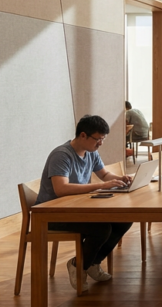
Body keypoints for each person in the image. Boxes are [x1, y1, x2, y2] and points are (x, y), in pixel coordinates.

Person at [35, 115, 134, 290]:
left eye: (103, 139)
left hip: (76, 209)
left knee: (123, 220)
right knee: (101, 229)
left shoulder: (91, 152)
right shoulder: (61, 155)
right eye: (98, 139)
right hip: (52, 214)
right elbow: (61, 189)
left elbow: (104, 174)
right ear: (83, 135)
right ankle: (78, 265)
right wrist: (101, 186)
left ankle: (92, 263)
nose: (100, 143)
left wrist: (120, 179)